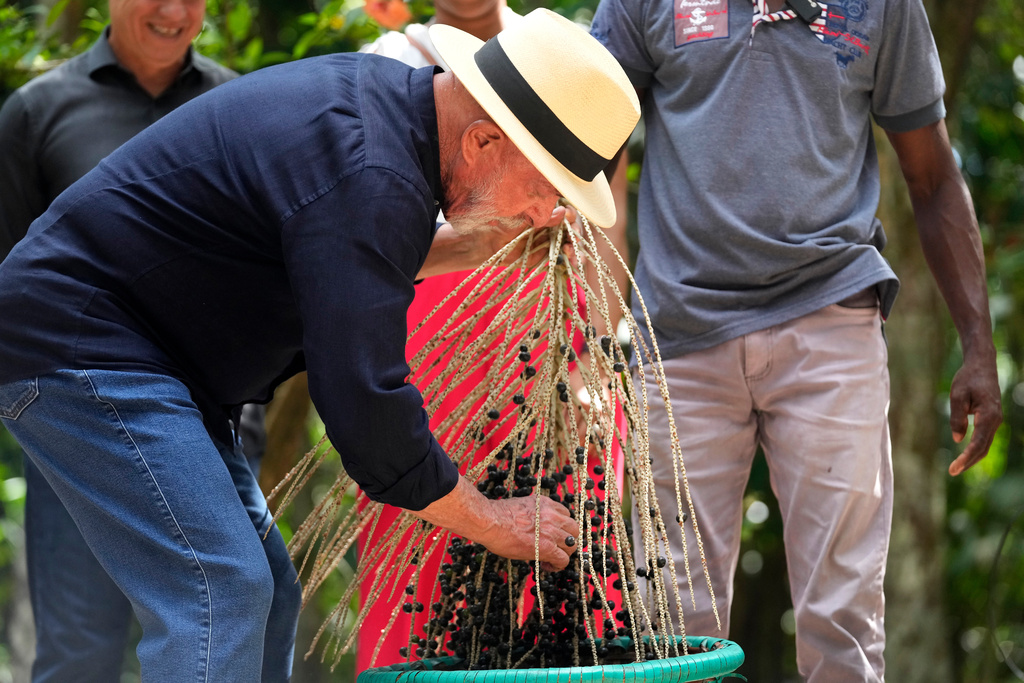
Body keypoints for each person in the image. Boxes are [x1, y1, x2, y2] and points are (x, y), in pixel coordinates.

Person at [0, 8, 640, 680]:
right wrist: (487, 517)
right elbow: (362, 403)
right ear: (482, 140)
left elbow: (343, 252)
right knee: (220, 586)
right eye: (542, 189)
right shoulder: (374, 170)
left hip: (152, 360)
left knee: (266, 586)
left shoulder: (387, 116)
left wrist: (479, 245)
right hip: (85, 341)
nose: (543, 213)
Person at [590, 0, 1002, 680]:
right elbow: (589, 138)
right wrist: (582, 329)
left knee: (843, 619)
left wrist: (978, 348)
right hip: (680, 335)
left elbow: (931, 175)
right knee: (669, 627)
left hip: (828, 320)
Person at [355, 1, 633, 669]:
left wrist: (590, 356)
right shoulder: (384, 71)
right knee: (422, 556)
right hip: (426, 357)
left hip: (549, 353)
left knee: (565, 568)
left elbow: (600, 241)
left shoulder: (572, 71)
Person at [0, 0, 237, 679]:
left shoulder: (233, 104)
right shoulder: (36, 110)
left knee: (239, 621)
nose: (173, 10)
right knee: (80, 647)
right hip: (78, 437)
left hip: (215, 429)